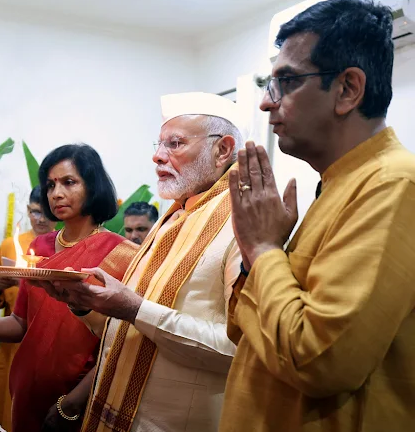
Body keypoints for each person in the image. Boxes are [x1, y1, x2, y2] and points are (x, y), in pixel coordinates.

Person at [221, 1, 415, 431]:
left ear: (347, 89)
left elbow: (319, 362)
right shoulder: (340, 182)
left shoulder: (393, 185)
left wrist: (264, 248)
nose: (268, 106)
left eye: (286, 82)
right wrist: (260, 256)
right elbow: (246, 331)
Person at [39, 92, 248, 431]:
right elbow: (128, 327)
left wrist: (134, 308)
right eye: (159, 144)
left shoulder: (243, 220)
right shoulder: (177, 213)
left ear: (222, 149)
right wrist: (83, 304)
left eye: (175, 144)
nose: (157, 156)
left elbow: (242, 351)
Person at [0, 144, 137, 432]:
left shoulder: (122, 254)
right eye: (50, 185)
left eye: (69, 182)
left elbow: (120, 346)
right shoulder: (39, 248)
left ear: (93, 186)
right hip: (27, 391)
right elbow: (22, 322)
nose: (56, 193)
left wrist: (71, 403)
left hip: (80, 399)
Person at [0, 185, 56, 431]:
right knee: (8, 407)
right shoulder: (9, 245)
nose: (40, 219)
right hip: (12, 341)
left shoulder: (61, 245)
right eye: (35, 212)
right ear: (28, 210)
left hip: (50, 343)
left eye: (45, 213)